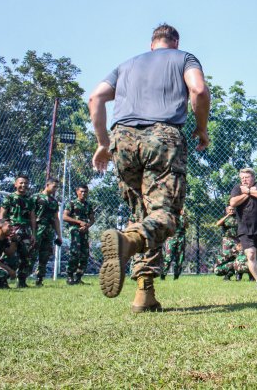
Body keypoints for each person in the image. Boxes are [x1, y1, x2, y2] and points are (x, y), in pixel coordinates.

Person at [89, 23, 210, 313]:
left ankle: (145, 295)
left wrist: (103, 142)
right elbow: (198, 90)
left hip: (122, 139)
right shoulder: (184, 58)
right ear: (175, 41)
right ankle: (127, 241)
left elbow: (95, 98)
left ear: (151, 43)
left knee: (143, 214)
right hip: (162, 136)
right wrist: (202, 129)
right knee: (165, 215)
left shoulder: (126, 65)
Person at [229, 168, 257, 289]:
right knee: (251, 255)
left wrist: (247, 191)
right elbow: (233, 202)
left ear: (253, 177)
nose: (244, 180)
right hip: (245, 229)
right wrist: (248, 193)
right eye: (242, 178)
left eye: (246, 177)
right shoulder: (237, 188)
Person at [0, 174, 37, 288]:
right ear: (15, 184)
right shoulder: (9, 198)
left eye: (26, 183)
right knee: (9, 256)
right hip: (12, 230)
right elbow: (2, 215)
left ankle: (22, 281)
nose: (23, 185)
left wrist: (34, 233)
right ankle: (2, 280)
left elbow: (32, 217)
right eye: (21, 183)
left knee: (26, 256)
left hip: (26, 231)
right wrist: (4, 231)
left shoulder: (30, 200)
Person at [32, 178, 62, 286]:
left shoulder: (54, 202)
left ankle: (39, 279)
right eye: (54, 186)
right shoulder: (36, 197)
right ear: (47, 185)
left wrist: (59, 235)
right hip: (38, 229)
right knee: (31, 254)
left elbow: (56, 219)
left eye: (57, 187)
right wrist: (33, 232)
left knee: (45, 256)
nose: (55, 189)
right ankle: (22, 279)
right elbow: (32, 215)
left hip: (49, 231)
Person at [62, 185, 94, 285]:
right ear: (77, 192)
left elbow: (92, 219)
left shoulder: (88, 205)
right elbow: (65, 217)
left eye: (85, 192)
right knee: (75, 253)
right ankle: (70, 276)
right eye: (81, 191)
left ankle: (78, 277)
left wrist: (87, 226)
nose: (83, 193)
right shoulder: (72, 204)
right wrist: (79, 222)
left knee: (85, 254)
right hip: (75, 231)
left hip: (84, 231)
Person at [214, 205, 239, 281]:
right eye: (230, 210)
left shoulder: (238, 218)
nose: (232, 211)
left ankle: (238, 275)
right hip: (227, 240)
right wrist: (227, 216)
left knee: (237, 257)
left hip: (236, 240)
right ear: (226, 210)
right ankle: (227, 276)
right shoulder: (225, 218)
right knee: (227, 257)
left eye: (233, 209)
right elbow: (217, 224)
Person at [161, 208, 187, 281]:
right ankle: (163, 275)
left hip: (181, 238)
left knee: (180, 259)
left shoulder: (183, 213)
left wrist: (184, 217)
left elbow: (186, 226)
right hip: (171, 238)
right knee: (168, 258)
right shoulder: (169, 213)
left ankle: (176, 277)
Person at [0, 219, 17, 289]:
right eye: (9, 226)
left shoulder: (4, 240)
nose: (11, 229)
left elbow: (10, 253)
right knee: (0, 271)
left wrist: (13, 240)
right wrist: (9, 270)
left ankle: (0, 284)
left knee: (13, 261)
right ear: (0, 227)